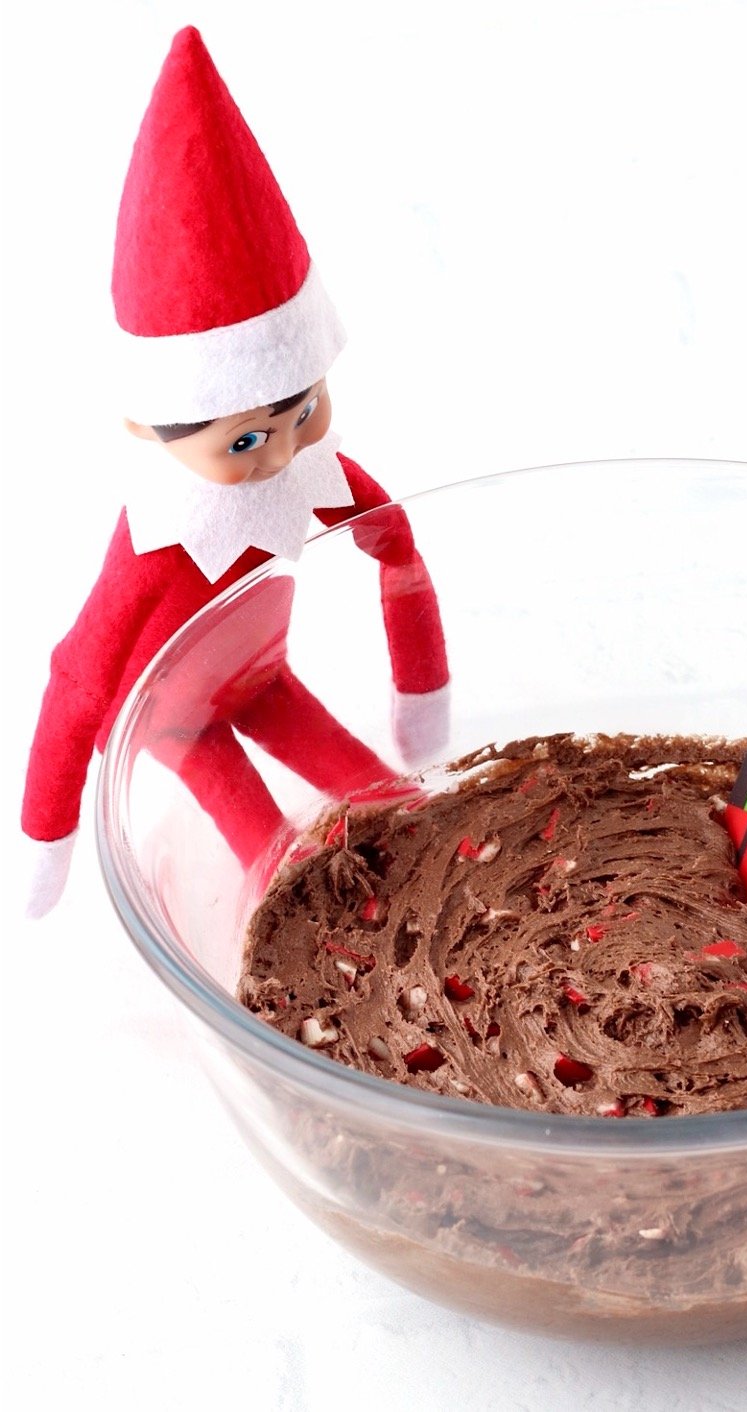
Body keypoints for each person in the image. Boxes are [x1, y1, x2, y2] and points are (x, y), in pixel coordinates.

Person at [21, 27, 449, 916]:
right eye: (246, 441)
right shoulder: (155, 545)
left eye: (303, 413)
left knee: (401, 816)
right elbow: (78, 686)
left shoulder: (317, 476)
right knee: (280, 869)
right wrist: (43, 843)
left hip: (264, 682)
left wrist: (422, 699)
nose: (287, 454)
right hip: (178, 726)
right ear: (145, 420)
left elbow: (398, 549)